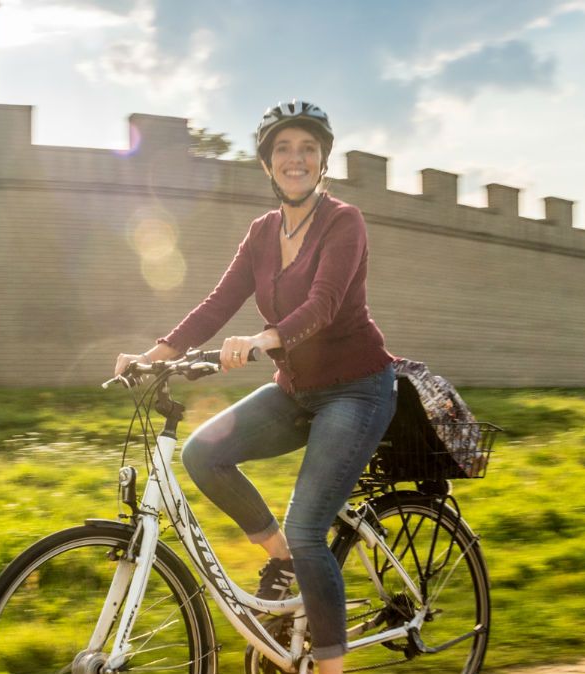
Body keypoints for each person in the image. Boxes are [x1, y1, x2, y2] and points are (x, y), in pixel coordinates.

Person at [113, 100, 397, 672]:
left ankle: (331, 665)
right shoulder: (263, 232)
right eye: (284, 149)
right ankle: (284, 561)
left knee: (309, 524)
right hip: (298, 389)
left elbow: (324, 303)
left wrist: (266, 338)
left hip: (357, 389)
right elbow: (219, 302)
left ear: (322, 162)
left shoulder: (345, 221)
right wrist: (156, 354)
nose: (297, 159)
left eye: (308, 149)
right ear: (267, 164)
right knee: (203, 453)